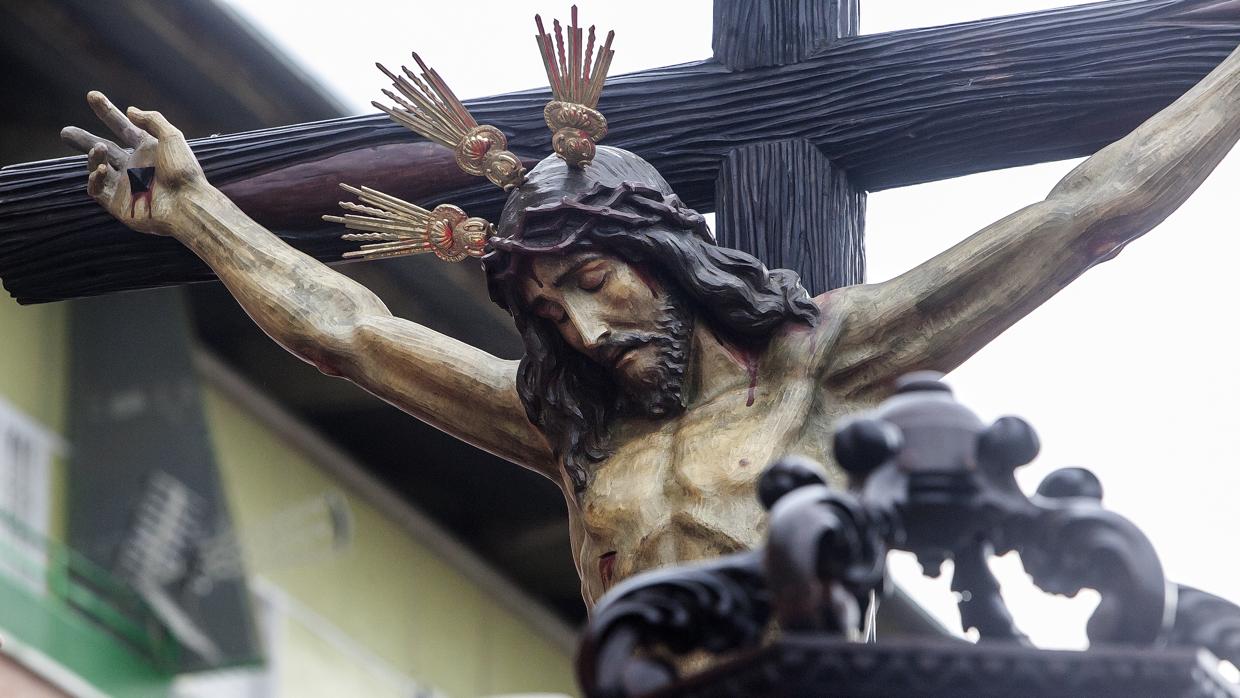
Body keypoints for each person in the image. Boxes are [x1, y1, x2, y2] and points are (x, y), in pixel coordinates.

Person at [59, 23, 1240, 607]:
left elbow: (1089, 209)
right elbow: (347, 332)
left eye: (591, 279)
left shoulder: (826, 362)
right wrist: (197, 210)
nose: (574, 328)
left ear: (662, 256)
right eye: (540, 306)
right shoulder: (572, 438)